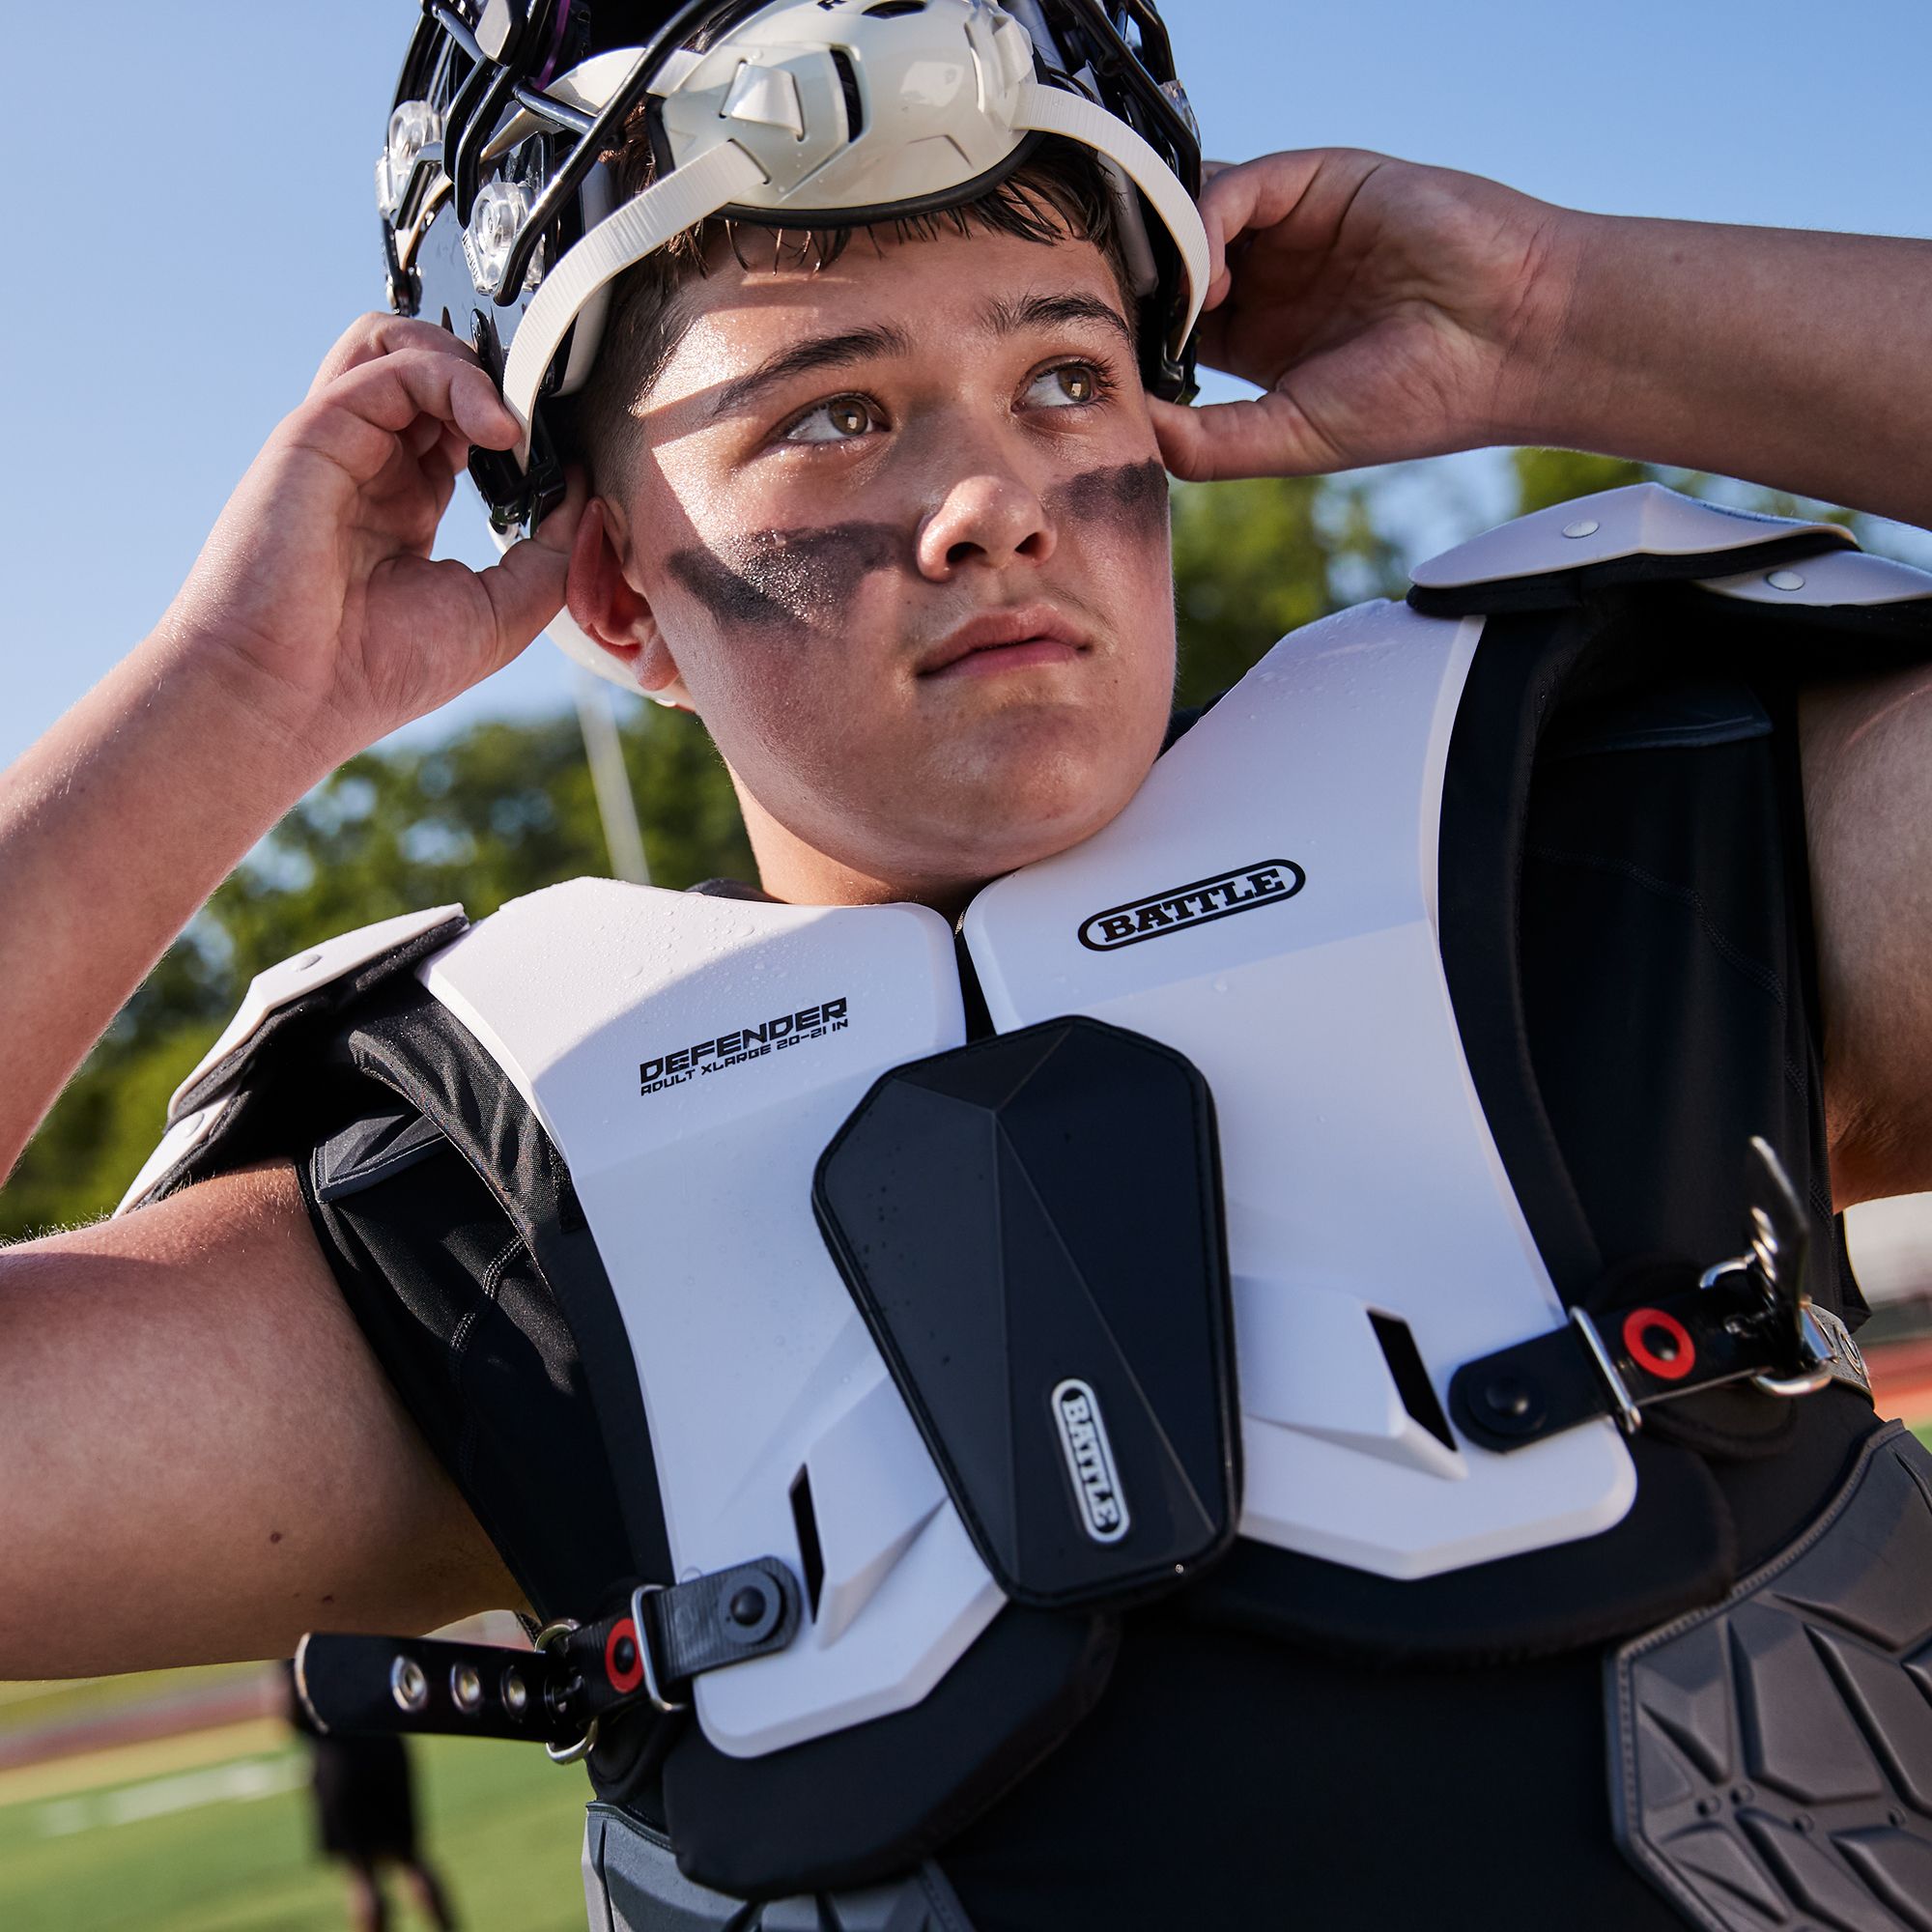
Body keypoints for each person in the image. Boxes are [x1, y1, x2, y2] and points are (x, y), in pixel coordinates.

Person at [3, 2, 1930, 1927]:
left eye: (1068, 379)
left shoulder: (1615, 857)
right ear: (610, 584)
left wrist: (1560, 311)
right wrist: (228, 700)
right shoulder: (504, 1227)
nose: (995, 496)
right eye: (831, 410)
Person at [284, 1662, 460, 1932]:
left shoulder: (297, 1639)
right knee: (412, 1859)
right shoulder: (364, 1619)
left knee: (362, 1874)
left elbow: (290, 1708)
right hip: (386, 1746)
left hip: (338, 1758)